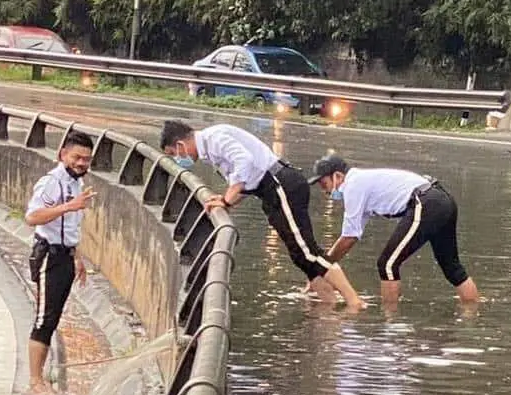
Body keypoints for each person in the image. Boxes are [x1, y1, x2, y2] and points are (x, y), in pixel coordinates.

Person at [160, 120, 365, 310]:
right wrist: (227, 200)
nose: (178, 159)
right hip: (270, 192)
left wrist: (226, 200)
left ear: (180, 145)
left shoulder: (213, 139)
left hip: (281, 185)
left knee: (307, 252)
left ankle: (354, 302)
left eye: (174, 154)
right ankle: (328, 307)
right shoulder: (210, 147)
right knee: (299, 255)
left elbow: (245, 162)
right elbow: (247, 179)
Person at [307, 154, 480, 309]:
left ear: (338, 176)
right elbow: (353, 235)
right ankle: (473, 315)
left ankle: (390, 320)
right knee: (451, 266)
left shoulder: (353, 185)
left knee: (387, 264)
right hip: (442, 200)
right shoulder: (361, 181)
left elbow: (348, 238)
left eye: (324, 184)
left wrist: (321, 268)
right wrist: (323, 268)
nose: (325, 191)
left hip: (426, 203)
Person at [24, 131, 97, 394]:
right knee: (45, 318)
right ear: (62, 155)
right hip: (48, 256)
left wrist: (78, 257)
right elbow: (32, 217)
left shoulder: (76, 183)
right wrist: (69, 206)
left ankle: (41, 377)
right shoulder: (52, 183)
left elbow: (71, 227)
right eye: (77, 157)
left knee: (54, 318)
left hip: (65, 255)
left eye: (86, 160)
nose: (81, 163)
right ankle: (35, 380)